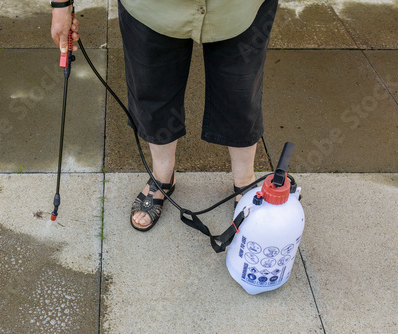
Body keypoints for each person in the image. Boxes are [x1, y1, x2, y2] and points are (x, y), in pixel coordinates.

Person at [51, 0, 278, 232]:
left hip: (240, 8)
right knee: (153, 88)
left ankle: (245, 182)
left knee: (240, 91)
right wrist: (61, 6)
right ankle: (162, 178)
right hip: (151, 8)